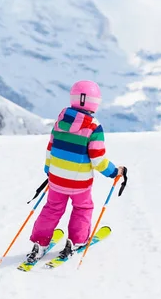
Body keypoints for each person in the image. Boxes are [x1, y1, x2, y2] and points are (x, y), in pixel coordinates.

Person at [27, 80, 126, 262]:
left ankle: (39, 244)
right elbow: (98, 160)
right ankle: (77, 241)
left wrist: (49, 169)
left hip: (56, 179)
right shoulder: (94, 127)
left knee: (52, 209)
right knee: (82, 208)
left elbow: (51, 147)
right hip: (80, 183)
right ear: (95, 102)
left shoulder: (60, 121)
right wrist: (114, 172)